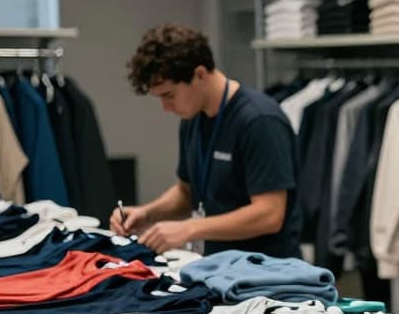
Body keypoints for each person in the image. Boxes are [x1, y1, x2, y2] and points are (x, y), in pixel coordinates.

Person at [113, 23, 301, 257]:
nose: (165, 108)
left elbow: (269, 215)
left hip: (267, 276)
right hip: (216, 268)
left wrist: (189, 228)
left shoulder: (259, 121)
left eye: (169, 95)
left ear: (200, 74)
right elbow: (186, 192)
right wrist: (147, 214)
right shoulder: (193, 118)